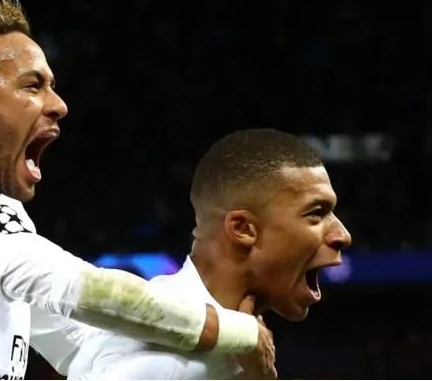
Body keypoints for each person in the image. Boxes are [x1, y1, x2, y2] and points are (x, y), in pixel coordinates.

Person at [0, 0, 273, 380]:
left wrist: (218, 340)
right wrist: (240, 332)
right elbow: (87, 292)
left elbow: (86, 345)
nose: (58, 104)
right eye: (33, 85)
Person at [66, 129, 352, 380]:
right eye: (316, 214)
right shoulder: (168, 364)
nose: (342, 235)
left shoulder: (236, 351)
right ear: (243, 229)